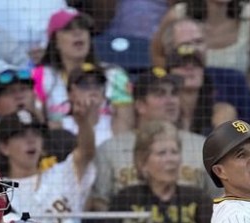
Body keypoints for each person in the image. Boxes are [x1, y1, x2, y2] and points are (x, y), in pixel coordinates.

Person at [89, 67, 215, 211]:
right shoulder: (111, 149)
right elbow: (100, 204)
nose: (170, 101)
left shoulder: (203, 147)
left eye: (174, 93)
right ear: (140, 106)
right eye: (160, 94)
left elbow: (219, 200)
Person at [33, 8, 134, 134]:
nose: (78, 32)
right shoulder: (40, 76)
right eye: (68, 29)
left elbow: (124, 129)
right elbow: (38, 127)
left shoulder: (115, 75)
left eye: (83, 27)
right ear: (55, 42)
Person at [0, 102, 98, 223]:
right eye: (21, 135)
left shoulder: (61, 174)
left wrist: (83, 122)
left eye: (36, 134)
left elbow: (87, 152)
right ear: (4, 147)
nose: (31, 140)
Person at [106, 120, 210, 223]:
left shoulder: (198, 198)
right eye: (162, 153)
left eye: (174, 152)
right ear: (143, 163)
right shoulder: (126, 198)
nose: (170, 159)